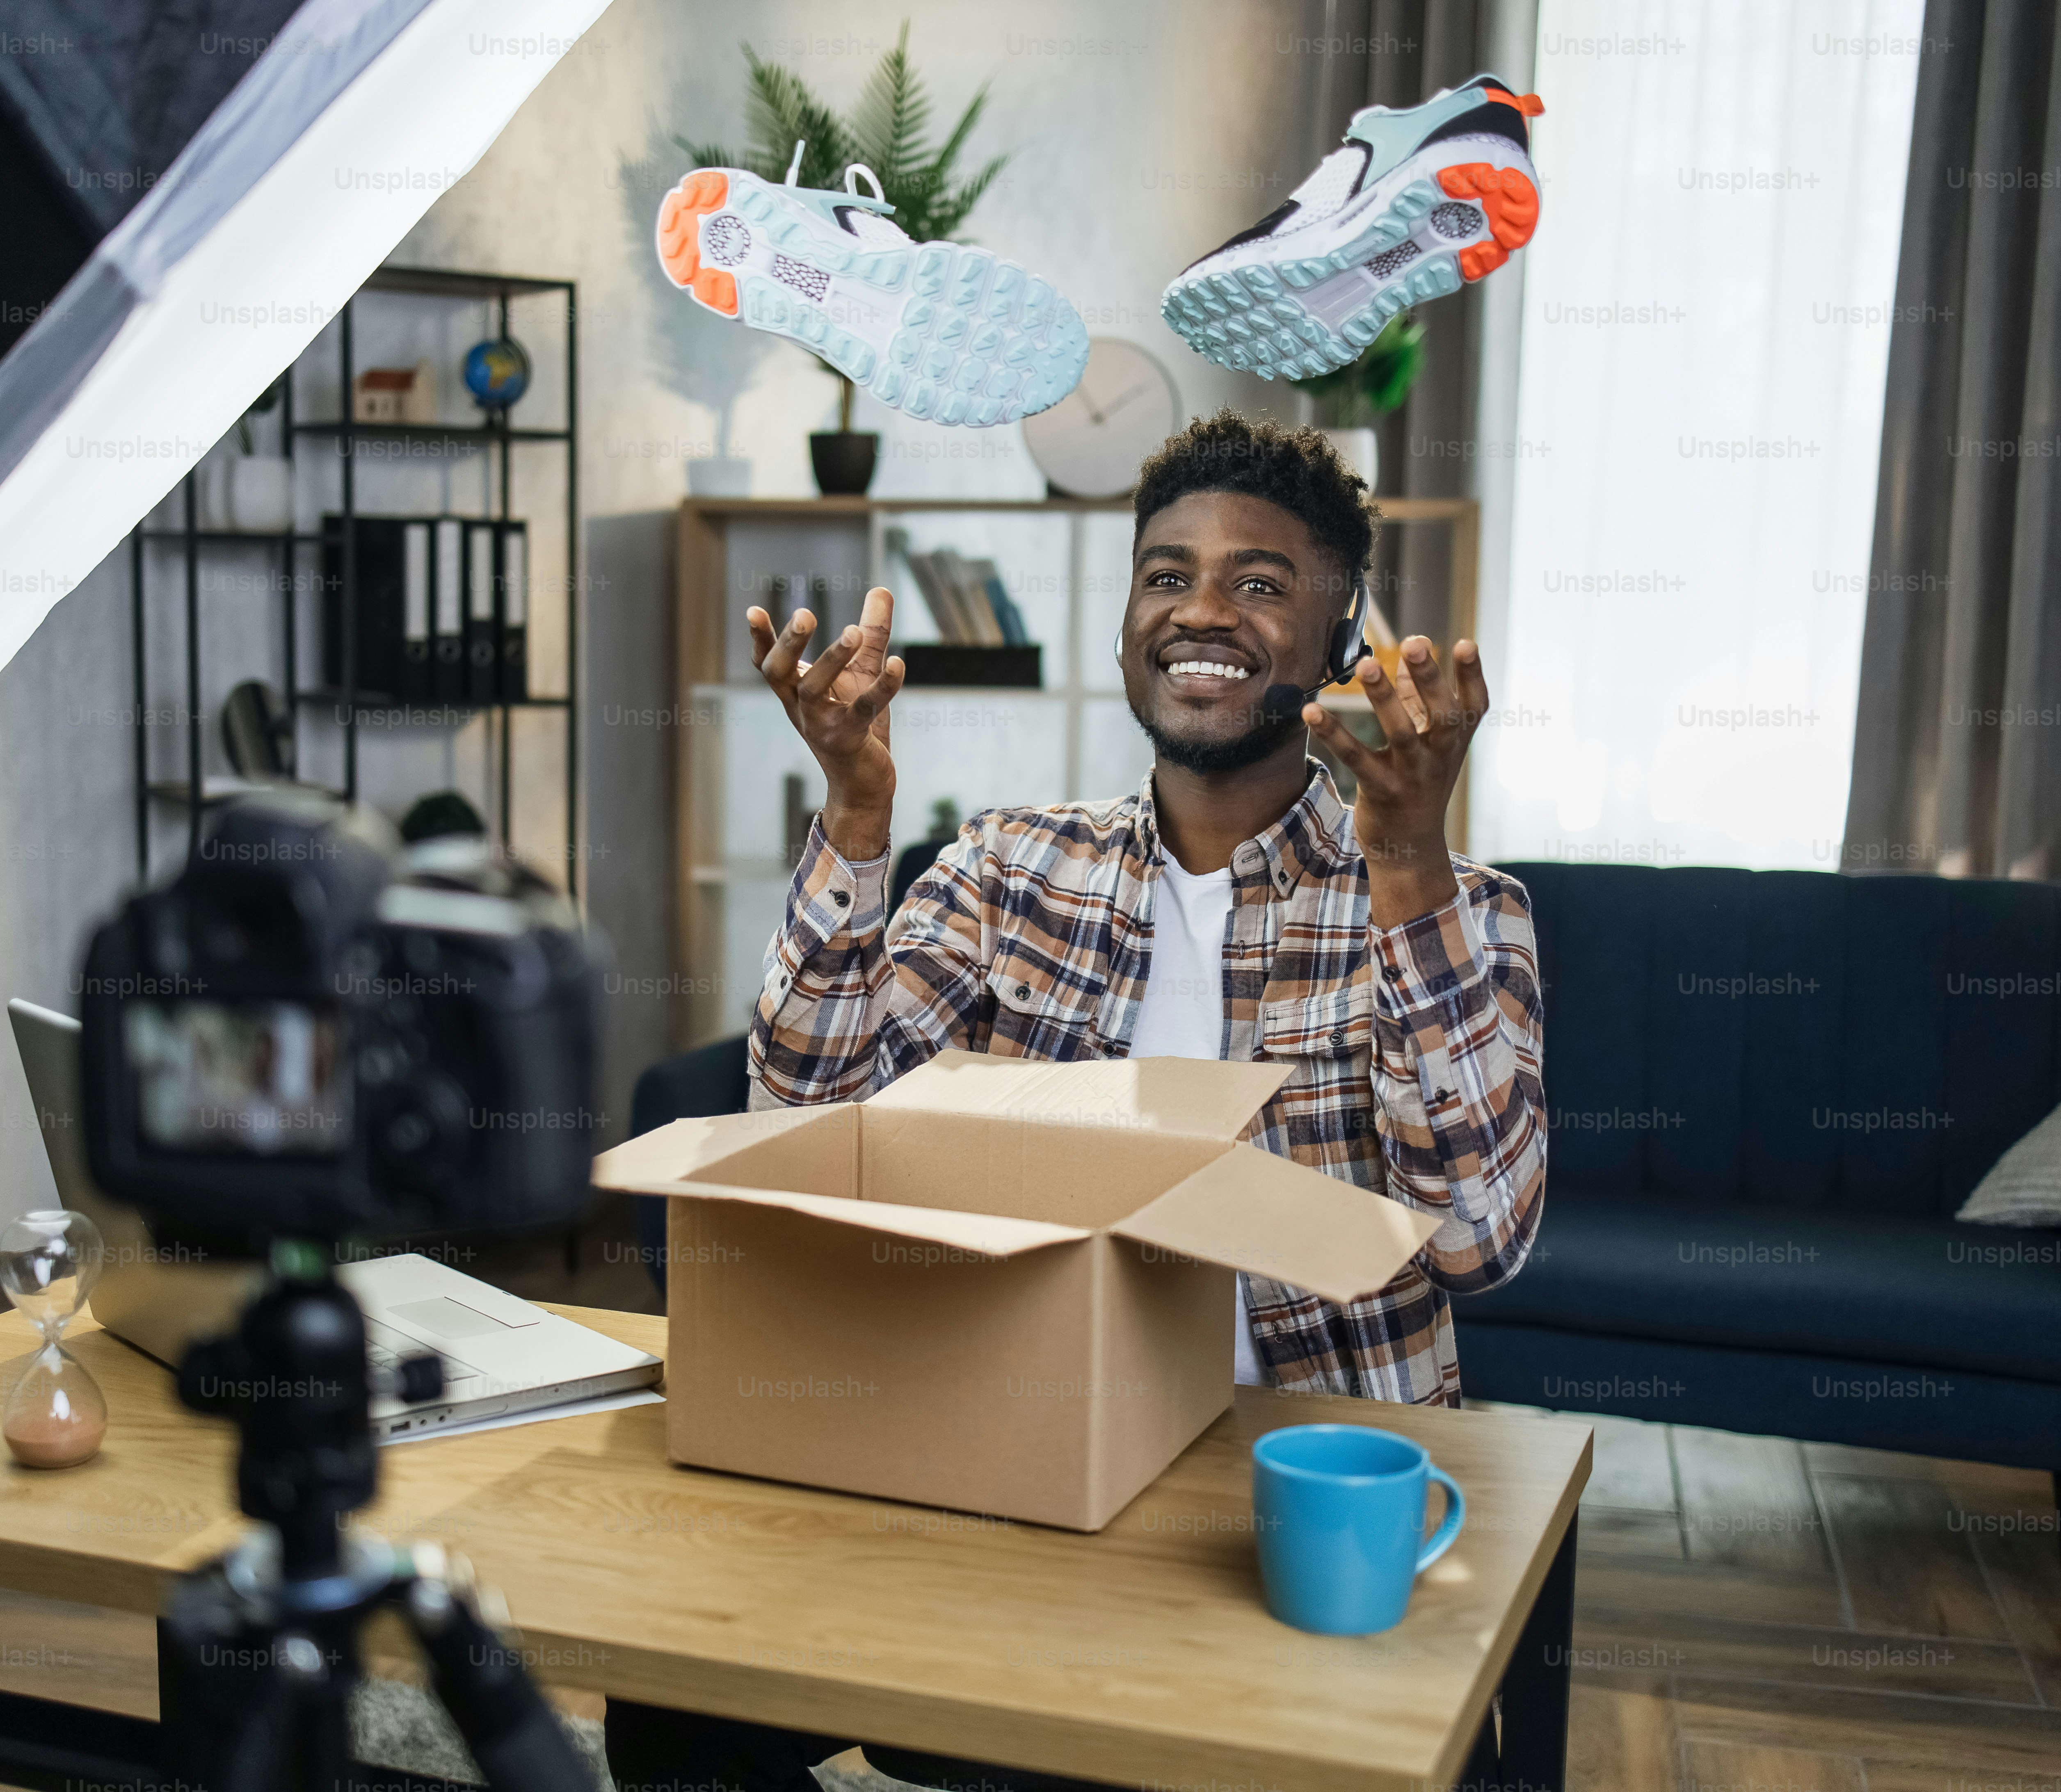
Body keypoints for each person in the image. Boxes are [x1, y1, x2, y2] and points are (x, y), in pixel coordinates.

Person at [605, 411, 1546, 1792]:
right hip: (1013, 1454)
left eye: (1259, 582)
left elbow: (1476, 1242)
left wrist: (1407, 857)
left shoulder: (1456, 909)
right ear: (1122, 626)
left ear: (1343, 639)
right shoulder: (1008, 868)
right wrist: (855, 813)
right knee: (674, 1711)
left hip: (1290, 1496)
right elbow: (799, 1124)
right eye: (1166, 575)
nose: (1200, 610)